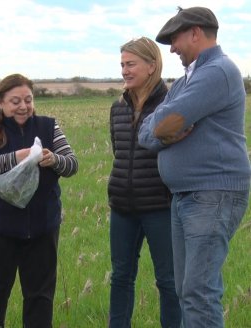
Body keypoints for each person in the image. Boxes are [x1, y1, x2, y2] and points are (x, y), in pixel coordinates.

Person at [138, 7, 250, 327]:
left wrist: (163, 130)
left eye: (174, 39)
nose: (171, 48)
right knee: (187, 290)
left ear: (196, 33)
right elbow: (149, 129)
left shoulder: (217, 71)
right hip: (187, 195)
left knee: (199, 292)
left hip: (211, 194)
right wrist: (165, 134)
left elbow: (164, 123)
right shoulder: (189, 78)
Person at [0, 73, 78, 327]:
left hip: (42, 227)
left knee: (40, 296)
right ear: (0, 102)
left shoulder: (49, 127)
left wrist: (54, 160)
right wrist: (20, 156)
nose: (23, 106)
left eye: (28, 99)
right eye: (15, 101)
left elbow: (72, 164)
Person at [107, 37, 181, 327]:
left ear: (152, 66)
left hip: (161, 206)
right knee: (121, 277)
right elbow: (119, 151)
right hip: (122, 207)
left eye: (131, 64)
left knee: (168, 280)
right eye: (122, 64)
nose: (125, 70)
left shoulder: (171, 105)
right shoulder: (117, 108)